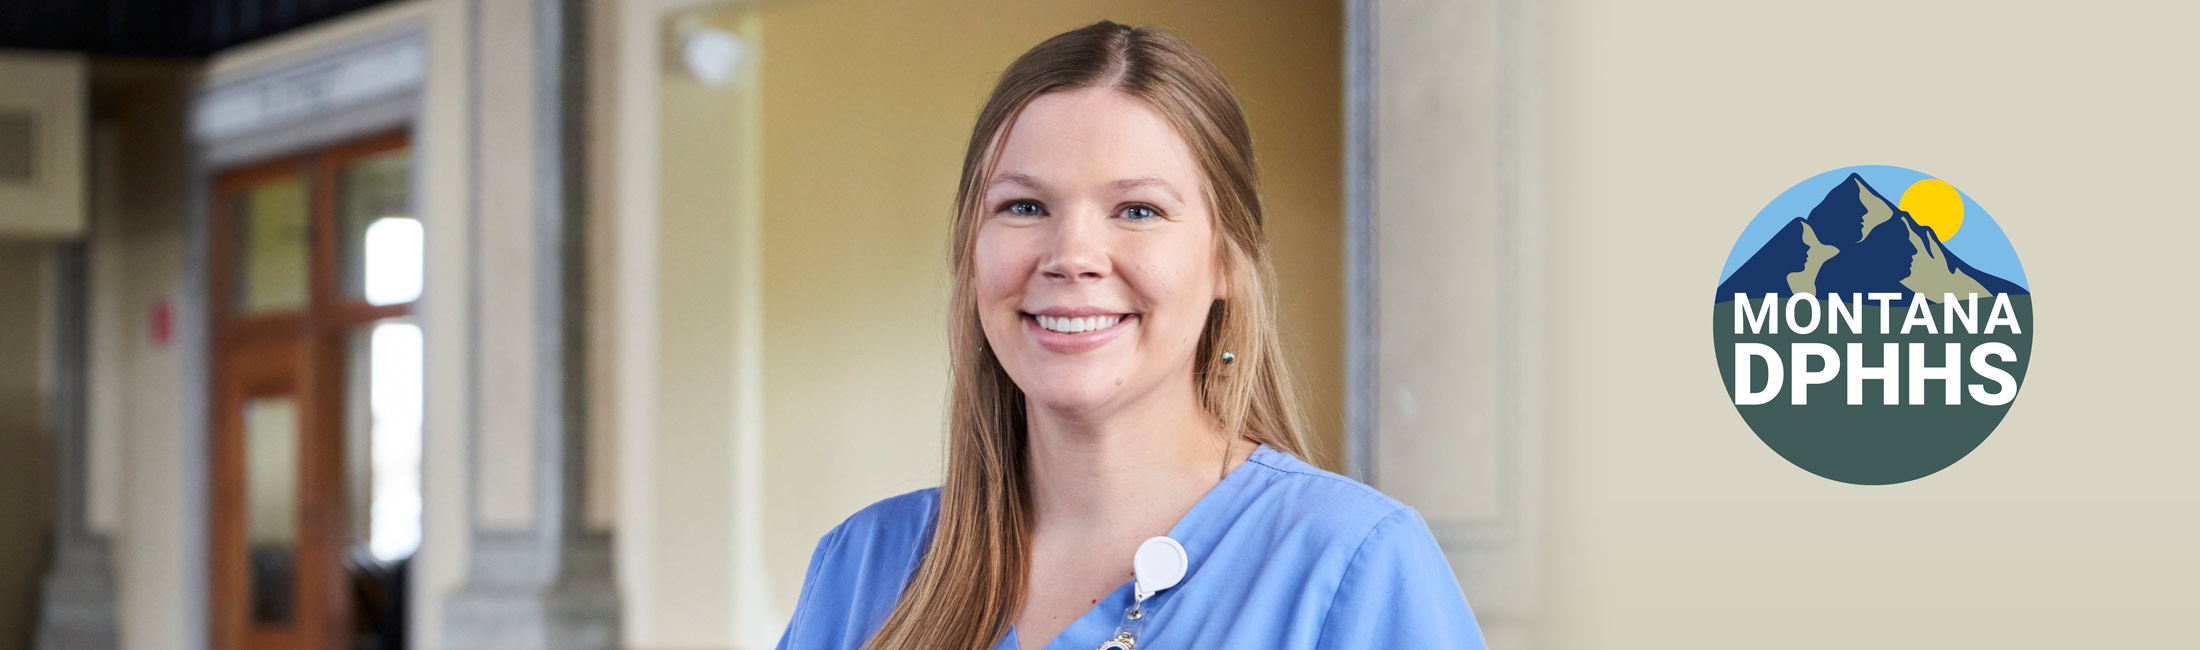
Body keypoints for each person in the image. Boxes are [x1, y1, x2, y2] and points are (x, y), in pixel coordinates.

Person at [774, 20, 1486, 650]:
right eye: (1024, 205)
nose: (1071, 256)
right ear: (970, 250)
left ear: (1226, 262)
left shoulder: (1352, 564)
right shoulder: (862, 567)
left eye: (1138, 210)